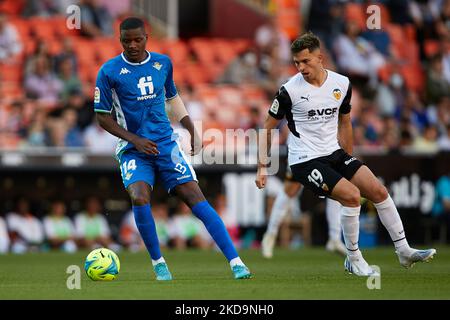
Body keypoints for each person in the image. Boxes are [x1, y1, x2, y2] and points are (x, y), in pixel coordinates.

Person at [255, 32, 436, 276]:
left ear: (321, 58)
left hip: (335, 154)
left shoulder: (341, 84)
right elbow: (267, 127)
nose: (301, 67)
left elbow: (345, 122)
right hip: (305, 161)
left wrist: (348, 161)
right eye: (296, 62)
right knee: (352, 196)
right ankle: (353, 258)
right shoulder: (289, 91)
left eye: (306, 61)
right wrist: (262, 167)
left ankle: (403, 251)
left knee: (379, 191)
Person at [94, 17, 251, 280]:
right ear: (119, 39)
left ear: (147, 37)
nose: (132, 45)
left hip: (166, 145)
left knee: (194, 197)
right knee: (140, 196)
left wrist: (192, 129)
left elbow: (172, 98)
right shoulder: (108, 71)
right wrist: (135, 140)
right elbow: (102, 116)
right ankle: (159, 264)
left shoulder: (162, 63)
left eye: (137, 39)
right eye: (126, 40)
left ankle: (236, 261)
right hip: (133, 149)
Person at [261, 164, 346, 259]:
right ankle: (270, 234)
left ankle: (335, 238)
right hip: (303, 154)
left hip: (325, 152)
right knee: (290, 190)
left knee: (335, 187)